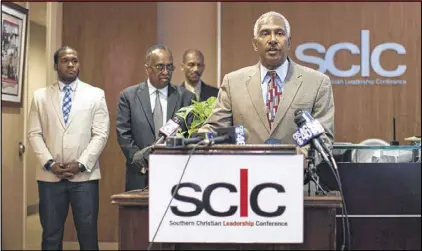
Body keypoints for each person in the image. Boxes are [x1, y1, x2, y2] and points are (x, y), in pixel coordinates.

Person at [200, 11, 334, 148]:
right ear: (255, 44)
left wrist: (299, 158)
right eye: (265, 33)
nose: (273, 40)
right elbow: (215, 129)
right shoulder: (233, 82)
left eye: (280, 33)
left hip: (298, 168)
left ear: (289, 42)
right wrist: (192, 141)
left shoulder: (317, 82)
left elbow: (324, 137)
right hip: (247, 167)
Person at [28, 46, 110, 250]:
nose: (71, 64)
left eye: (75, 60)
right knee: (50, 236)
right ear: (56, 65)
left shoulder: (95, 94)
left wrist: (81, 164)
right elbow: (34, 133)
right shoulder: (40, 96)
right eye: (65, 60)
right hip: (50, 178)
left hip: (84, 177)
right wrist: (50, 163)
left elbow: (100, 134)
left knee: (88, 234)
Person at [116, 44, 194, 191]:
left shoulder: (186, 98)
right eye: (160, 67)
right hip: (140, 175)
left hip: (176, 175)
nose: (165, 72)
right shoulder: (129, 97)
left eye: (170, 67)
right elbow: (124, 135)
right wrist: (142, 161)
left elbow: (191, 134)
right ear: (147, 69)